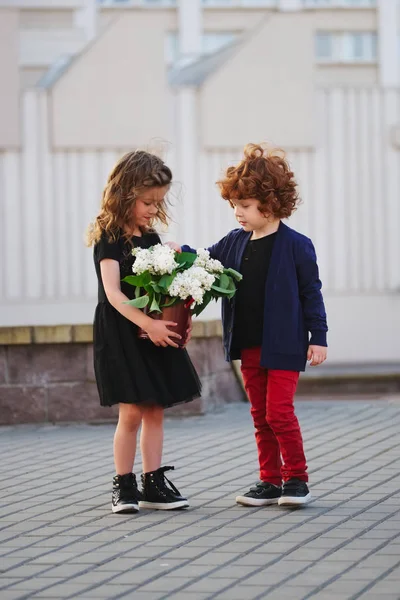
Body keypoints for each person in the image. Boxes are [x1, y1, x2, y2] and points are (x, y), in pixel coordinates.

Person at [174, 143, 328, 507]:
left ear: (270, 203)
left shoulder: (296, 246)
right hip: (249, 344)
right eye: (234, 206)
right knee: (260, 415)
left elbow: (312, 293)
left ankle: (297, 480)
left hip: (286, 344)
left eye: (244, 206)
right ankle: (270, 480)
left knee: (279, 412)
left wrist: (318, 337)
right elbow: (204, 261)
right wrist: (176, 252)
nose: (237, 213)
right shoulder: (234, 242)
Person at [87, 150, 201, 514]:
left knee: (155, 410)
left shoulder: (151, 239)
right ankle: (124, 485)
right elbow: (113, 293)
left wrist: (181, 314)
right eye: (147, 201)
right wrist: (148, 323)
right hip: (123, 332)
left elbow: (163, 290)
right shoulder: (110, 237)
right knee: (132, 412)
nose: (153, 209)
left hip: (151, 333)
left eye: (158, 202)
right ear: (124, 195)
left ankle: (154, 483)